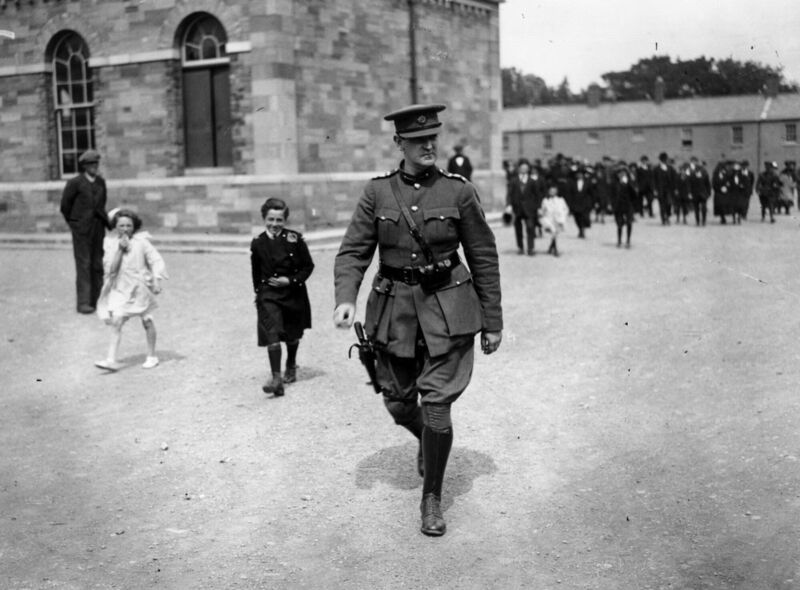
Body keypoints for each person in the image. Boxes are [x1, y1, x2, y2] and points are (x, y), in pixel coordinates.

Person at [333, 103, 502, 537]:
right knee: (397, 401)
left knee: (438, 406)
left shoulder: (458, 192)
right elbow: (354, 251)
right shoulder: (377, 192)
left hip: (449, 311)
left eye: (433, 139)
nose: (428, 146)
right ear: (399, 144)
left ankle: (432, 497)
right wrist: (345, 297)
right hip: (394, 314)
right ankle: (425, 440)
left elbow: (483, 255)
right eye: (418, 141)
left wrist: (493, 321)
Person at [251, 198, 315, 397]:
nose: (274, 224)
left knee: (292, 333)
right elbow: (256, 273)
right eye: (271, 219)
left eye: (279, 220)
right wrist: (260, 294)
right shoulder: (258, 242)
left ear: (285, 220)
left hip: (292, 293)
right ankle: (276, 377)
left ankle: (291, 363)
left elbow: (308, 266)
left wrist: (291, 280)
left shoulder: (294, 239)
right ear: (264, 219)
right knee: (272, 333)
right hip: (269, 295)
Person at [94, 209, 167, 371]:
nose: (125, 229)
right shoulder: (110, 243)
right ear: (115, 227)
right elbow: (111, 269)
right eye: (121, 226)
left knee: (147, 320)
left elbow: (156, 260)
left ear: (134, 227)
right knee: (117, 321)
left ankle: (152, 356)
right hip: (121, 288)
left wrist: (156, 280)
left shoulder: (142, 242)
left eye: (129, 225)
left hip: (140, 287)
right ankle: (111, 359)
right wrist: (120, 249)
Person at [60, 149, 109, 313]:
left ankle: (98, 300)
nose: (94, 167)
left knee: (98, 263)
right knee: (84, 264)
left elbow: (101, 205)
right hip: (81, 230)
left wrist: (106, 223)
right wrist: (75, 224)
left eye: (95, 163)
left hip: (98, 229)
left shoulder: (101, 182)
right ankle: (83, 303)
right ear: (84, 166)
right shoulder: (75, 183)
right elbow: (65, 207)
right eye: (90, 164)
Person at [505, 158, 545, 255]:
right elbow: (509, 194)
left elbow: (537, 195)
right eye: (522, 168)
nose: (524, 170)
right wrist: (509, 205)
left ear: (528, 169)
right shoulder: (514, 181)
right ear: (519, 169)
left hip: (530, 209)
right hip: (517, 208)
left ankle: (530, 248)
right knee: (518, 229)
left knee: (530, 228)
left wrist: (539, 207)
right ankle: (520, 247)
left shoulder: (532, 181)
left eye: (526, 168)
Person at [538, 185, 569, 256]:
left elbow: (565, 209)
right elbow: (542, 210)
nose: (552, 192)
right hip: (549, 219)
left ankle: (551, 247)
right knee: (553, 232)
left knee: (554, 234)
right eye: (551, 191)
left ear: (556, 192)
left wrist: (563, 217)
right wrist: (542, 214)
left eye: (554, 191)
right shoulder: (545, 200)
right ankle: (555, 250)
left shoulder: (560, 200)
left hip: (558, 219)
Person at [564, 165, 593, 238]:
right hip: (575, 203)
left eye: (581, 174)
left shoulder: (588, 182)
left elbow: (592, 193)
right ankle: (580, 229)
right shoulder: (572, 182)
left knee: (584, 217)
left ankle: (583, 230)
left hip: (585, 203)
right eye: (578, 174)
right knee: (577, 218)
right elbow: (569, 193)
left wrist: (591, 203)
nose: (579, 175)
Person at [612, 166, 636, 248]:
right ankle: (619, 240)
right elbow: (611, 195)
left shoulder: (630, 183)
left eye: (624, 173)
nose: (622, 175)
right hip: (618, 206)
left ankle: (628, 240)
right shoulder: (615, 183)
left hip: (628, 205)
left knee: (629, 223)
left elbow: (635, 194)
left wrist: (628, 184)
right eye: (620, 173)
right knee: (619, 224)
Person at [685, 156, 711, 226]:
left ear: (697, 162)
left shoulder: (703, 170)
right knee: (696, 208)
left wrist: (709, 192)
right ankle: (697, 221)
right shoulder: (689, 171)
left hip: (703, 192)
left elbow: (707, 182)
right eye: (692, 162)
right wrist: (689, 192)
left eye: (695, 162)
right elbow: (688, 183)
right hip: (694, 192)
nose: (693, 163)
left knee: (704, 207)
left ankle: (704, 221)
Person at [653, 152, 674, 226]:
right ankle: (663, 220)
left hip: (668, 190)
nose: (664, 160)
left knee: (669, 204)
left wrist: (675, 188)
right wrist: (655, 190)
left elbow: (674, 178)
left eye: (665, 159)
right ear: (660, 160)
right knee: (662, 205)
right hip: (660, 190)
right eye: (662, 159)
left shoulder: (670, 168)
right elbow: (654, 180)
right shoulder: (656, 169)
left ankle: (667, 216)